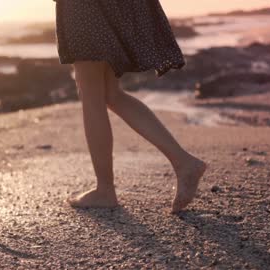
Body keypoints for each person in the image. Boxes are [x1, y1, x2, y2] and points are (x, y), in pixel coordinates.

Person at [54, 0, 207, 213]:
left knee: (91, 95)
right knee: (110, 94)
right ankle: (182, 161)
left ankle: (105, 190)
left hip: (85, 7)